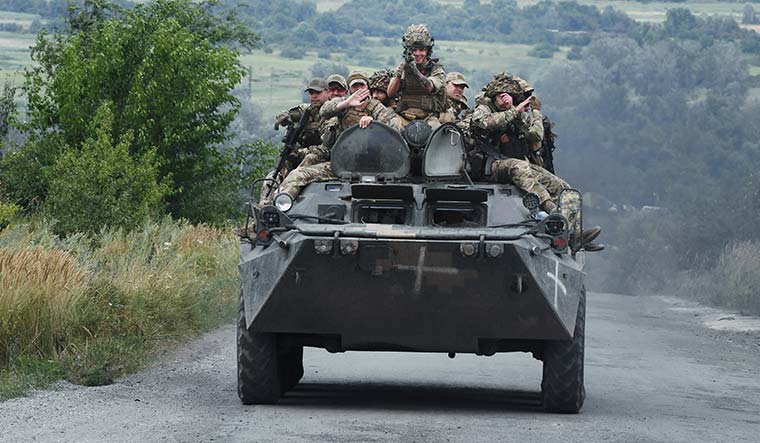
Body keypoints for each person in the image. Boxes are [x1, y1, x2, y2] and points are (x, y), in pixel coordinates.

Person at [276, 71, 402, 201]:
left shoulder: (377, 108)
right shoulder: (343, 102)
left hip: (374, 167)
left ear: (367, 87)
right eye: (354, 86)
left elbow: (395, 127)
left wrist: (373, 123)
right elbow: (324, 110)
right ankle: (281, 205)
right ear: (349, 89)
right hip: (343, 165)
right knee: (297, 175)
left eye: (361, 86)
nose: (358, 90)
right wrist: (346, 103)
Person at [261, 78, 330, 205]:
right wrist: (284, 117)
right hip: (303, 157)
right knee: (272, 177)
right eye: (311, 93)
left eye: (318, 93)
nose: (314, 96)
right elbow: (290, 114)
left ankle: (282, 202)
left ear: (328, 92)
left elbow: (326, 148)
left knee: (300, 171)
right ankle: (266, 207)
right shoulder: (308, 111)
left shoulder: (333, 113)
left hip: (320, 158)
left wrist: (300, 152)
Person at [387, 24, 447, 128]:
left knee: (436, 130)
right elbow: (390, 93)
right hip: (404, 115)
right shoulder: (403, 68)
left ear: (427, 51)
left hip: (428, 117)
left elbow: (430, 87)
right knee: (392, 126)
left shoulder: (435, 69)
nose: (418, 53)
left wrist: (415, 71)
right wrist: (400, 72)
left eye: (422, 50)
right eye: (414, 50)